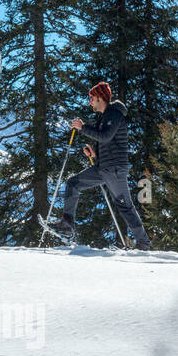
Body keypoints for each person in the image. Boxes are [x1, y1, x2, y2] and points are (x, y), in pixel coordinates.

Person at [47, 81, 151, 250]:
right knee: (73, 183)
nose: (90, 102)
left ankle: (143, 243)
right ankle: (67, 224)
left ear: (101, 98)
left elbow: (105, 137)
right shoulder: (104, 117)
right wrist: (94, 155)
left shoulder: (115, 115)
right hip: (103, 168)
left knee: (125, 206)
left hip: (115, 169)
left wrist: (83, 128)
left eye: (92, 98)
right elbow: (107, 143)